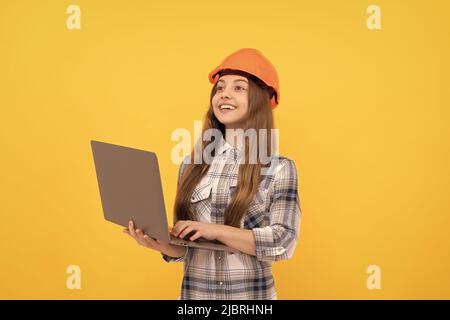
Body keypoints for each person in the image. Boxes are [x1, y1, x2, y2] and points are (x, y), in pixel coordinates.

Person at [123, 48, 301, 299]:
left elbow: (283, 242)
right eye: (220, 88)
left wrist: (214, 230)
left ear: (261, 99)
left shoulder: (280, 168)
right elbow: (187, 248)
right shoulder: (191, 165)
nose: (225, 93)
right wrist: (161, 243)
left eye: (239, 88)